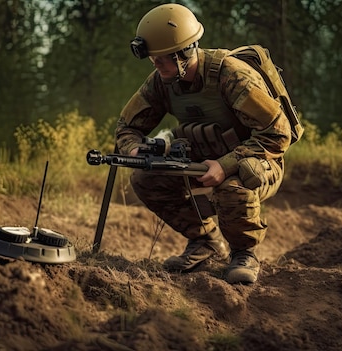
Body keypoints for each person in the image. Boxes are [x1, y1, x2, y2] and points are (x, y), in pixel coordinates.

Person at [115, 3, 292, 284]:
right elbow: (127, 128)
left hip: (257, 162)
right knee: (145, 178)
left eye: (161, 58)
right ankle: (206, 242)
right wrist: (135, 150)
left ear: (184, 53)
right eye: (152, 59)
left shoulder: (231, 76)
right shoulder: (162, 81)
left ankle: (244, 253)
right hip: (201, 158)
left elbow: (278, 134)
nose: (155, 64)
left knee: (233, 184)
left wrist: (225, 165)